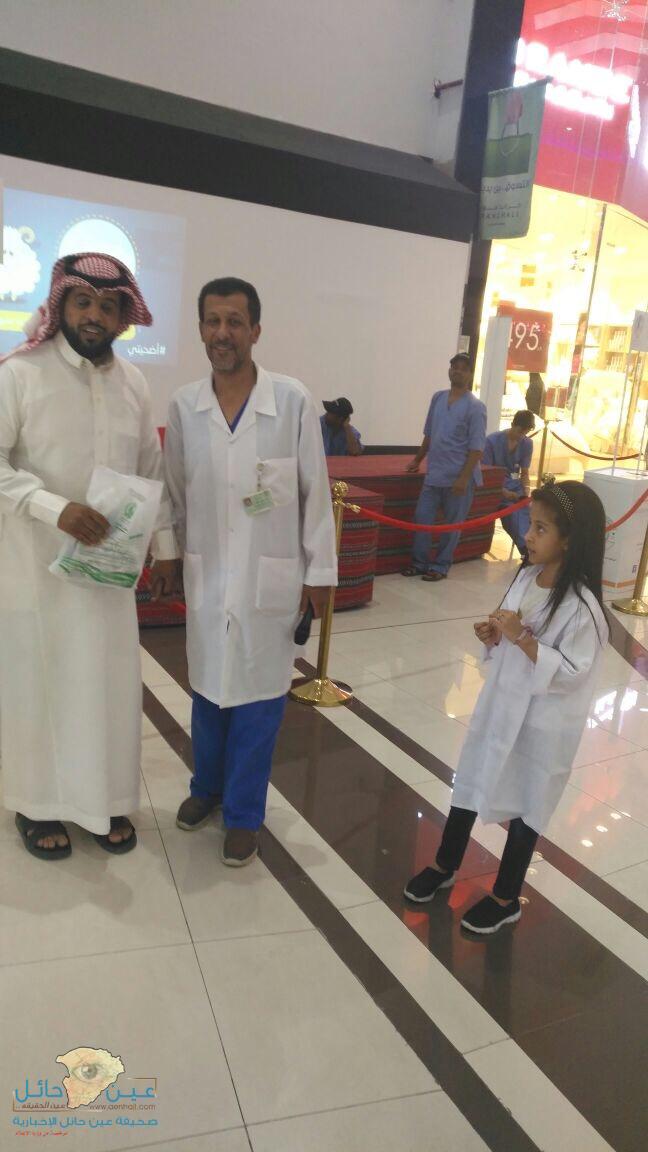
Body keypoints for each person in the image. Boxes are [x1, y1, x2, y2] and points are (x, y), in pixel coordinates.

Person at [0, 253, 177, 858]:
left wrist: (166, 549)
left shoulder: (134, 383)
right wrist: (55, 508)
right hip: (35, 572)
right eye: (83, 302)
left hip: (108, 577)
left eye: (107, 305)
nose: (94, 315)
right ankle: (36, 805)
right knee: (41, 686)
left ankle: (101, 800)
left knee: (105, 686)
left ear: (124, 316)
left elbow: (150, 470)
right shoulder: (20, 373)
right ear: (62, 305)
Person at [157, 277, 337, 867]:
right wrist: (167, 551)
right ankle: (205, 789)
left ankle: (242, 814)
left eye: (235, 321)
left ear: (255, 331)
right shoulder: (185, 405)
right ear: (200, 330)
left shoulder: (291, 401)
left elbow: (314, 492)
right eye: (213, 321)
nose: (223, 333)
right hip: (209, 575)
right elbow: (173, 490)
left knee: (259, 702)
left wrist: (320, 573)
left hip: (270, 580)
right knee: (208, 691)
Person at [404, 480, 608, 934]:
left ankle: (505, 897)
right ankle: (445, 864)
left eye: (541, 528)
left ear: (569, 540)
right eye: (530, 525)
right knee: (471, 779)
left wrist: (521, 638)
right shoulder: (525, 578)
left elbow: (573, 674)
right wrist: (494, 636)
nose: (528, 536)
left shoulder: (583, 608)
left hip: (542, 725)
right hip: (501, 706)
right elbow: (508, 634)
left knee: (527, 801)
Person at [401, 353, 487, 582]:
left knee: (452, 525)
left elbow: (476, 448)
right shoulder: (438, 398)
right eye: (454, 367)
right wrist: (417, 460)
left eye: (463, 369)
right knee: (422, 518)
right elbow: (430, 434)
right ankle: (419, 563)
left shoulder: (476, 407)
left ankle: (440, 566)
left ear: (470, 374)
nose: (457, 371)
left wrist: (463, 478)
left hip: (459, 477)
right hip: (434, 474)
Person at [483, 409, 535, 556]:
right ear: (512, 424)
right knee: (511, 513)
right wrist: (504, 492)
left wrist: (526, 492)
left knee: (526, 511)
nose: (521, 436)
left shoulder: (527, 443)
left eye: (525, 432)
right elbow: (486, 475)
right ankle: (525, 548)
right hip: (495, 486)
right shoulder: (491, 441)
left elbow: (524, 473)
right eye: (519, 431)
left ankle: (531, 547)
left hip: (515, 486)